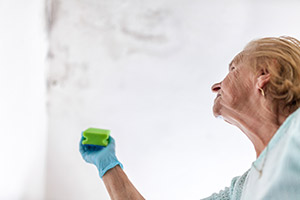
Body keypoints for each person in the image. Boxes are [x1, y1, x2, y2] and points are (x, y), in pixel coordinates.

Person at [79, 36, 300, 200]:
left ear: (265, 73)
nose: (216, 87)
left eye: (233, 69)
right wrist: (108, 166)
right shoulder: (242, 189)